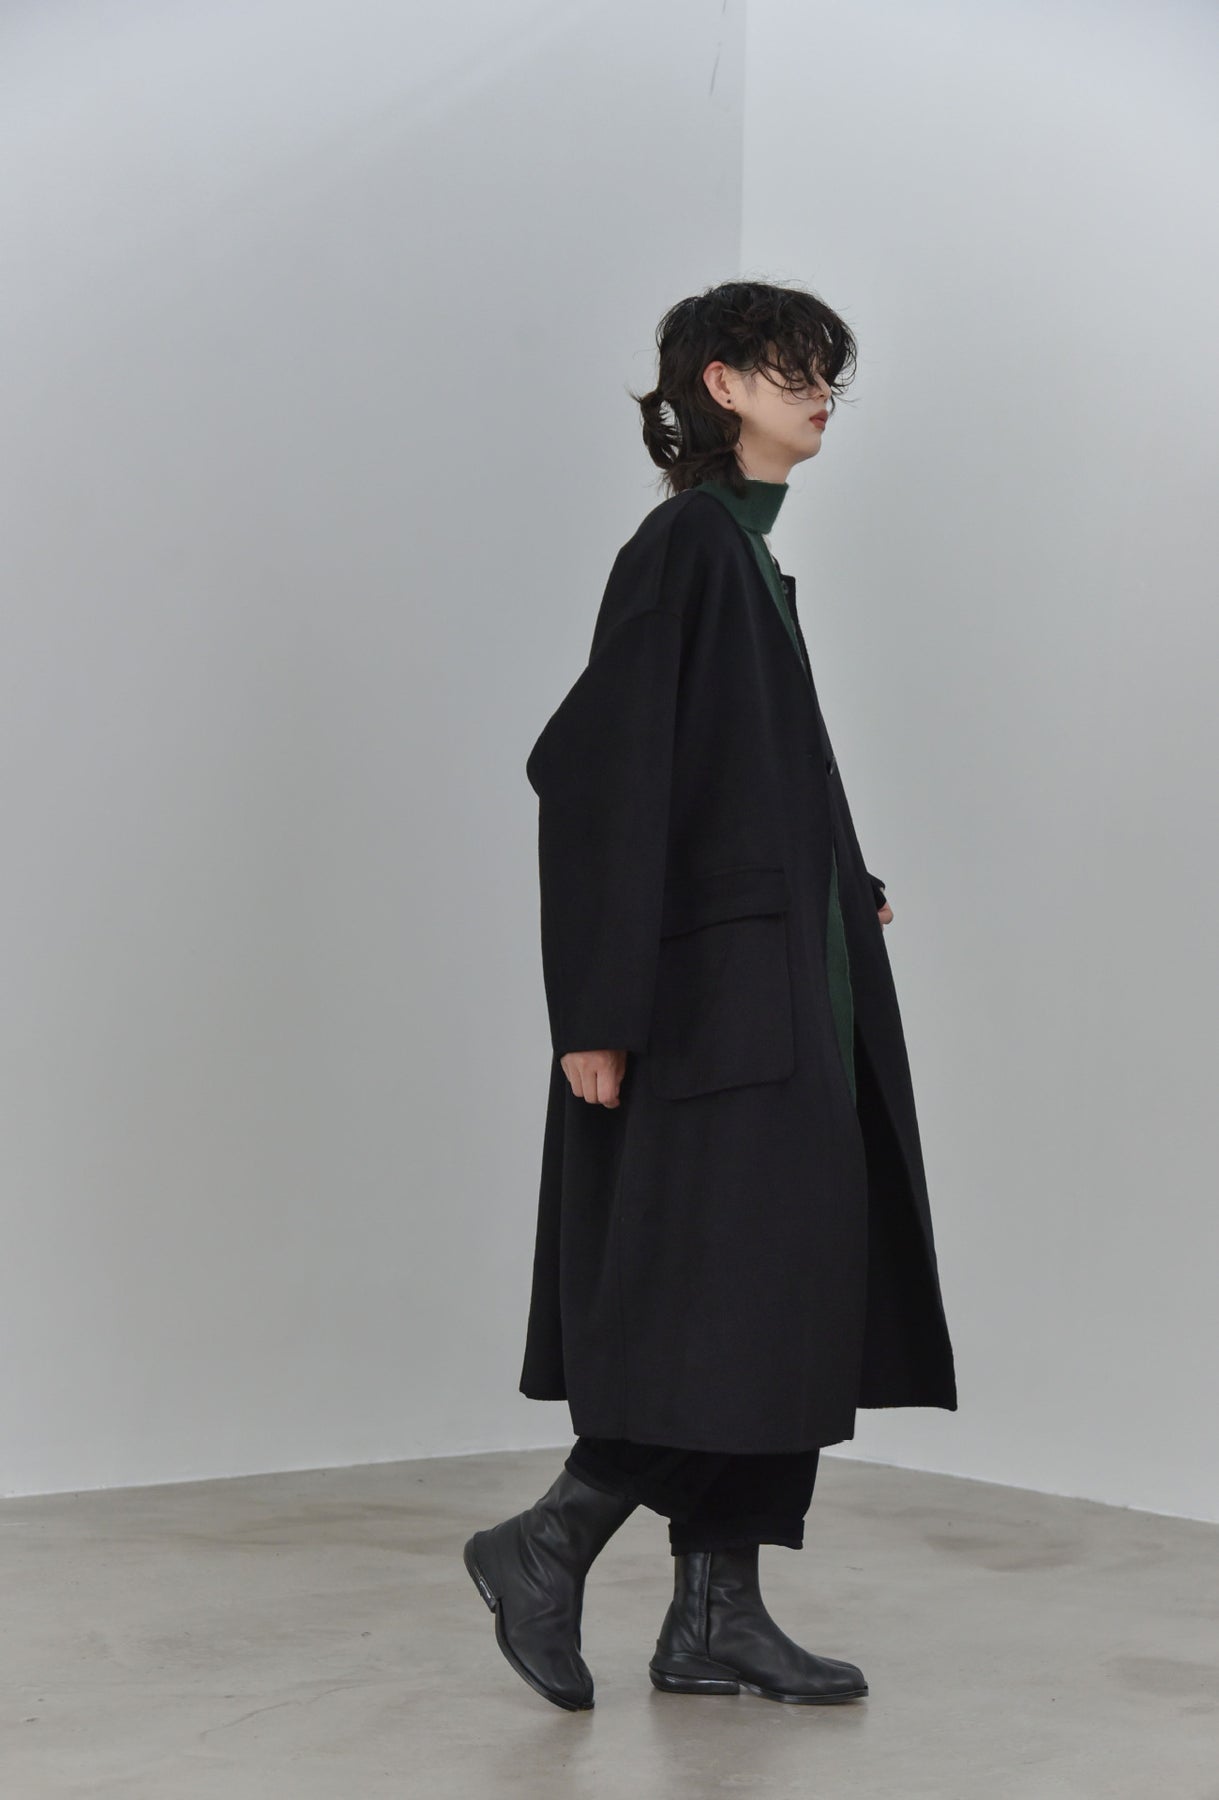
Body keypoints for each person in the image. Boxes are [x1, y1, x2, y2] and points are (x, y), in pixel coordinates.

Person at [464, 279, 957, 1711]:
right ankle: (546, 1542)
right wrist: (594, 1012)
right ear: (723, 384)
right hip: (716, 1009)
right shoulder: (688, 544)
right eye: (797, 370)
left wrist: (843, 877)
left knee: (787, 1297)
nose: (822, 395)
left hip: (794, 993)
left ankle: (715, 1618)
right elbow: (597, 773)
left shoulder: (750, 559)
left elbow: (748, 773)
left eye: (830, 376)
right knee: (728, 1299)